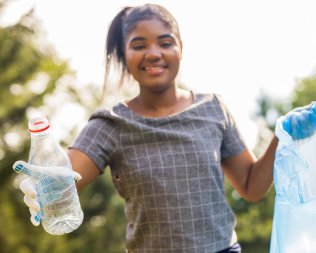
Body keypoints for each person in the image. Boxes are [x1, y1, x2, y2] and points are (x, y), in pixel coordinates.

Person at [14, 4, 284, 252]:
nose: (154, 54)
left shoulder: (214, 109)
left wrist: (282, 135)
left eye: (165, 43)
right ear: (124, 54)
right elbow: (61, 180)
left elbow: (252, 187)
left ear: (181, 47)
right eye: (139, 45)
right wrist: (42, 188)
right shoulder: (111, 125)